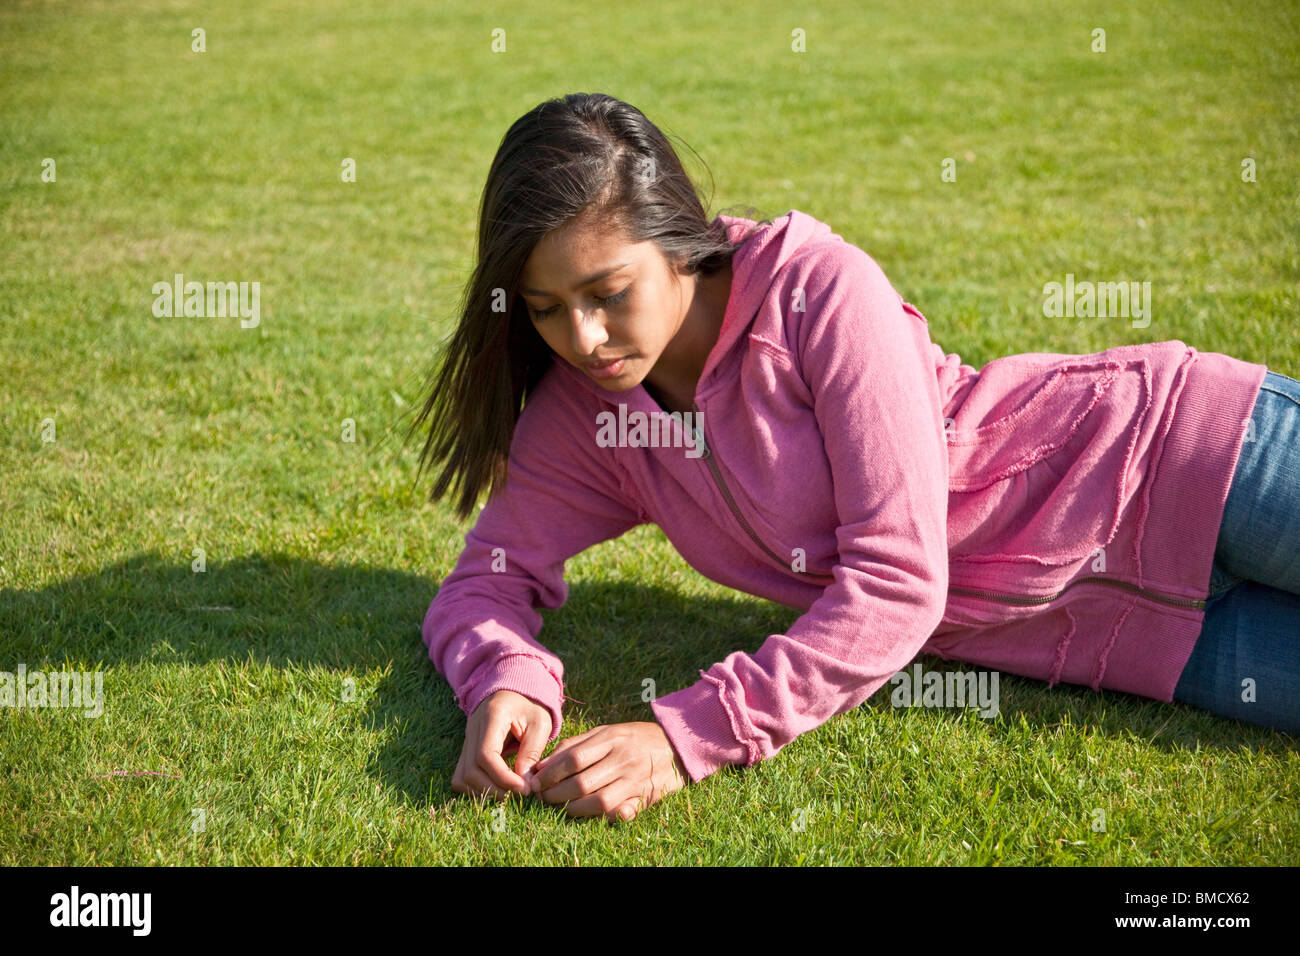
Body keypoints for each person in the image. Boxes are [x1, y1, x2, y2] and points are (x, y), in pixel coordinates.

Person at [406, 92, 1298, 824]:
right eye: (546, 308)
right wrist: (505, 680)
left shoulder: (816, 292)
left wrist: (685, 738)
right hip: (1158, 647)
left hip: (1198, 457)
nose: (585, 338)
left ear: (675, 239)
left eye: (608, 294)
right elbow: (483, 580)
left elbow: (902, 582)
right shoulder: (588, 418)